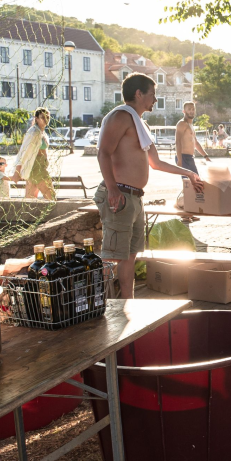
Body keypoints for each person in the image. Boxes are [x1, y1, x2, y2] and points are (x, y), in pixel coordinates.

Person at [96, 74, 203, 298]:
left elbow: (155, 163)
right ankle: (102, 306)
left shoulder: (140, 123)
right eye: (152, 95)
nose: (155, 100)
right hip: (120, 196)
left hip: (135, 198)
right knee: (112, 256)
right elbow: (103, 153)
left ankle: (128, 304)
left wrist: (189, 173)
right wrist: (113, 188)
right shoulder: (121, 117)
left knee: (130, 257)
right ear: (139, 94)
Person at [12, 108, 57, 200]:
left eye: (48, 117)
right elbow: (23, 152)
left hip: (38, 167)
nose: (46, 119)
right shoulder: (34, 132)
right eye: (42, 117)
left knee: (30, 199)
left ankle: (29, 214)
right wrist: (17, 172)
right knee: (50, 196)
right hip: (35, 167)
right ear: (36, 118)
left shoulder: (41, 132)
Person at [174, 101, 210, 175]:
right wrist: (180, 160)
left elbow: (195, 143)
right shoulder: (182, 124)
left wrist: (206, 156)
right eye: (189, 109)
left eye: (193, 109)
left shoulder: (190, 125)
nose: (191, 111)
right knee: (192, 182)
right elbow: (178, 142)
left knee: (194, 182)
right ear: (184, 111)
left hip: (189, 157)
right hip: (183, 157)